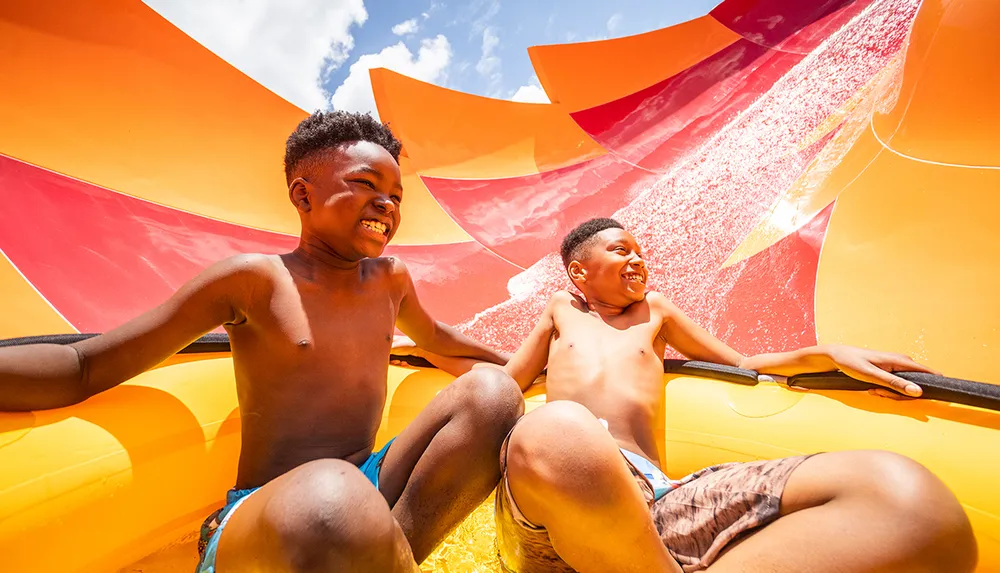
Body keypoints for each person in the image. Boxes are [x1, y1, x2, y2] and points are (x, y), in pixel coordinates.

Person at [0, 111, 524, 572]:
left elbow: (438, 339)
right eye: (366, 184)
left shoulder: (391, 280)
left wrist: (523, 367)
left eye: (395, 195)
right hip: (271, 510)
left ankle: (387, 556)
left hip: (363, 484)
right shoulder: (254, 281)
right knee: (332, 497)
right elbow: (84, 364)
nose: (385, 204)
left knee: (493, 396)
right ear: (303, 195)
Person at [487, 217, 977, 572]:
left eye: (639, 251)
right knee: (558, 429)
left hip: (655, 500)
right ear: (579, 272)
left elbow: (741, 363)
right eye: (620, 250)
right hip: (562, 498)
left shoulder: (655, 312)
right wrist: (422, 349)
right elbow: (504, 386)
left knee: (903, 496)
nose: (637, 258)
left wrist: (828, 352)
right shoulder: (560, 310)